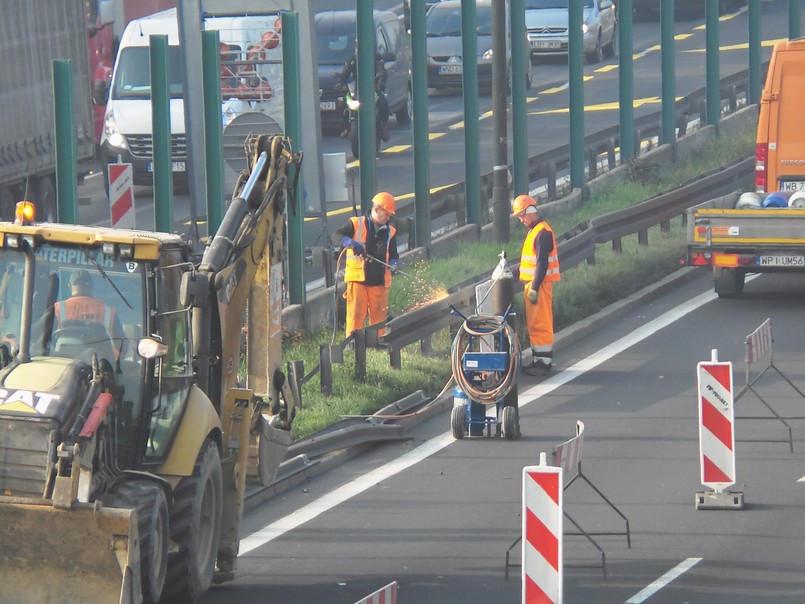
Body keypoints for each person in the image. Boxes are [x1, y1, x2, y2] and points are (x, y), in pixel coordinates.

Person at [336, 192, 400, 338]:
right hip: (358, 279)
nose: (388, 218)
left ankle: (378, 343)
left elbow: (394, 254)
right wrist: (349, 242)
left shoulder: (391, 232)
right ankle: (353, 343)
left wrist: (394, 264)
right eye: (387, 214)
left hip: (379, 281)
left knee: (379, 318)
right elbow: (337, 235)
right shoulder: (356, 224)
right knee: (356, 314)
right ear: (377, 209)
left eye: (390, 215)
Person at [512, 194, 560, 376]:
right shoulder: (535, 231)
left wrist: (534, 287)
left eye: (522, 216)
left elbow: (542, 263)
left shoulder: (542, 233)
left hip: (539, 286)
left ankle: (543, 361)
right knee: (534, 323)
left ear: (531, 212)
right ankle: (538, 359)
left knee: (541, 322)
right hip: (534, 285)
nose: (521, 220)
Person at [53, 270, 124, 360]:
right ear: (90, 287)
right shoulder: (107, 311)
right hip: (98, 367)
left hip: (62, 364)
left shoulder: (57, 308)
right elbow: (121, 345)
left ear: (70, 287)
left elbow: (41, 339)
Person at [334, 50, 390, 142]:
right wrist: (340, 83)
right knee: (342, 105)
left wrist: (380, 84)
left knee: (383, 104)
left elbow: (382, 72)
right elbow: (345, 73)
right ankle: (347, 128)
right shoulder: (352, 60)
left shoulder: (376, 58)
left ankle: (383, 125)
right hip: (357, 91)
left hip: (374, 89)